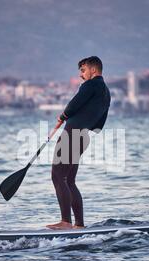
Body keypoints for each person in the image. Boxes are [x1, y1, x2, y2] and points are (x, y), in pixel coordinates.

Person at [46, 56, 111, 230]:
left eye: (83, 71)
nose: (81, 75)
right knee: (69, 180)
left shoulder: (90, 85)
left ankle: (65, 222)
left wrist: (63, 116)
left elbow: (75, 103)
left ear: (94, 70)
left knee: (57, 176)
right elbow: (100, 122)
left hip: (72, 134)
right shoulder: (106, 91)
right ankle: (79, 225)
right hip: (84, 136)